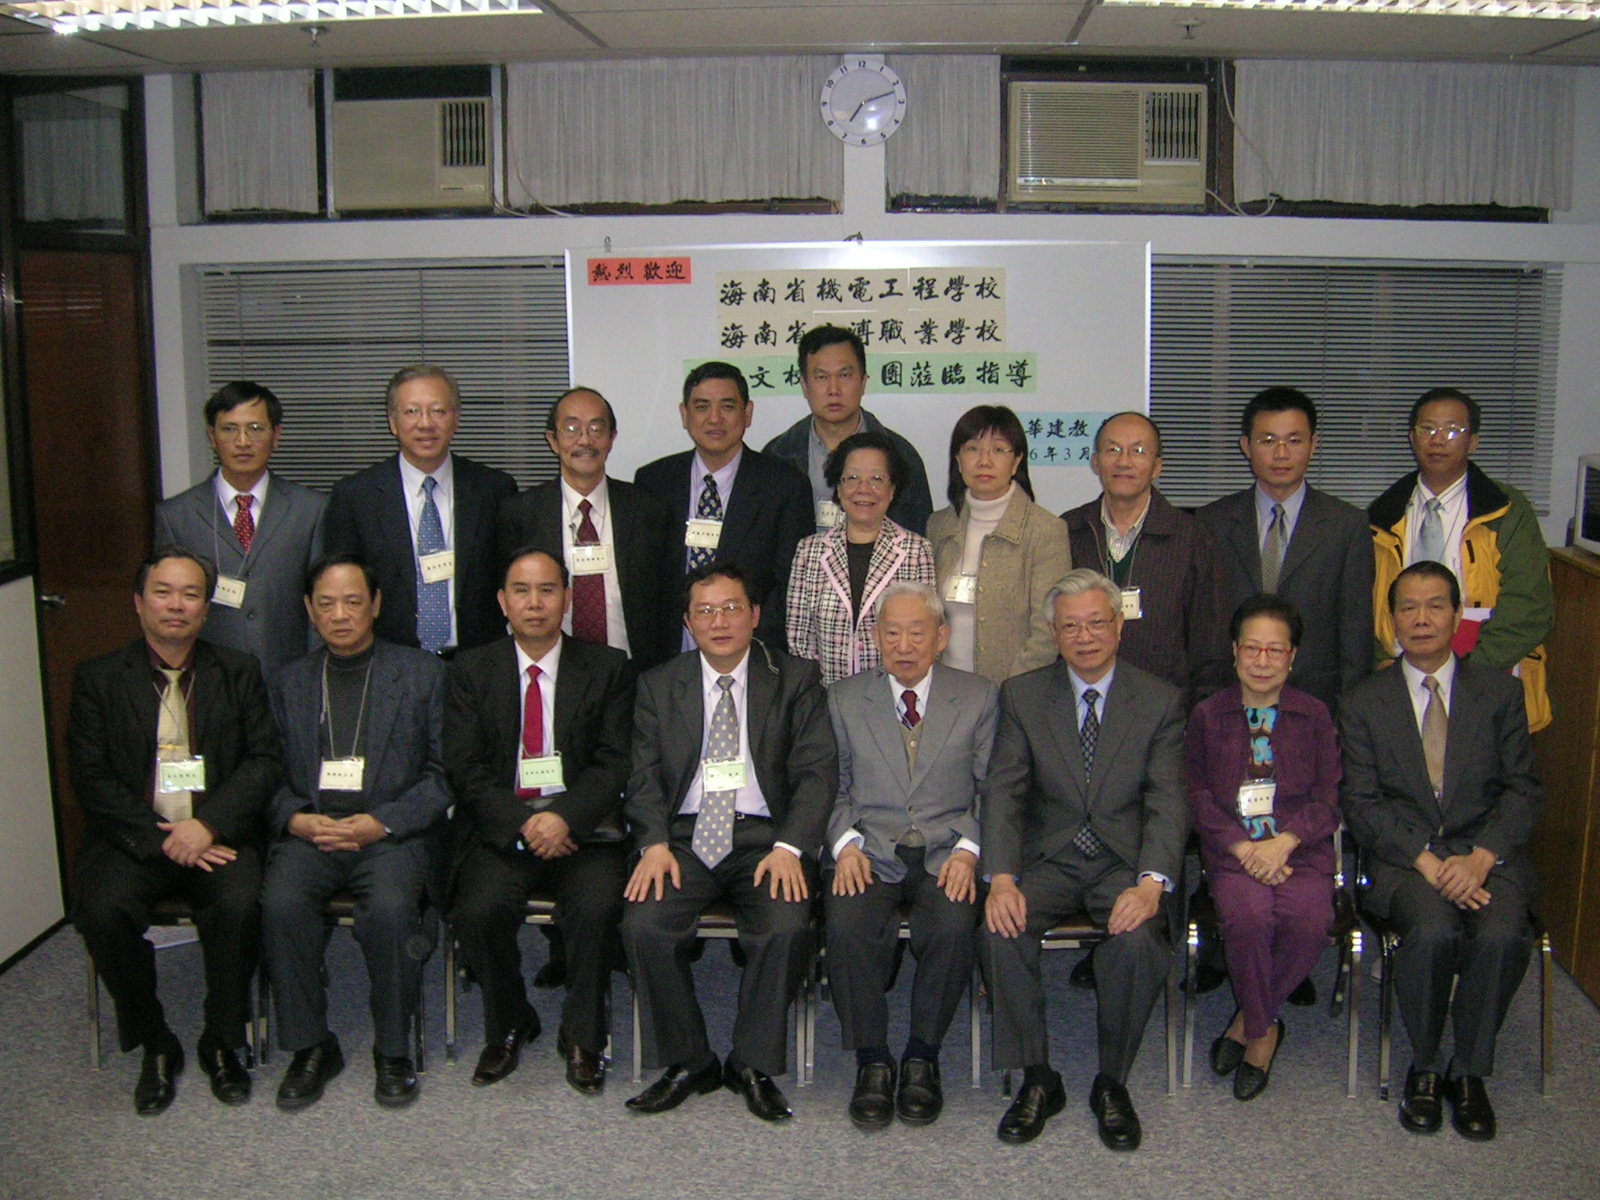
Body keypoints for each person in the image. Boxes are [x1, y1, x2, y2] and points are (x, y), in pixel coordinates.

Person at [620, 562, 836, 1122]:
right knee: (643, 924)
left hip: (766, 840)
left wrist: (791, 848)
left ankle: (751, 1063)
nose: (720, 622)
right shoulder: (658, 684)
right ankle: (689, 1060)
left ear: (755, 615)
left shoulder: (795, 679)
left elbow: (816, 775)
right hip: (683, 838)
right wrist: (652, 843)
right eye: (706, 611)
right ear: (688, 622)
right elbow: (642, 778)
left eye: (732, 608)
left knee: (786, 925)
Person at [69, 547, 280, 1115]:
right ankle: (155, 1040)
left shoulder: (238, 672)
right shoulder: (99, 679)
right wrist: (163, 836)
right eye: (163, 592)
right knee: (101, 910)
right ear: (139, 603)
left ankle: (222, 1039)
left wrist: (207, 825)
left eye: (191, 595)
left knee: (240, 904)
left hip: (218, 834)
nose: (176, 605)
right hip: (136, 838)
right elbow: (90, 777)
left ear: (206, 610)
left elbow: (263, 761)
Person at [980, 568, 1185, 1152]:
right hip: (1049, 857)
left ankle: (1112, 1081)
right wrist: (1001, 879)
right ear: (1054, 632)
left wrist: (1150, 884)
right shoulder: (1022, 695)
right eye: (1071, 626)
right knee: (998, 929)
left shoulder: (1159, 699)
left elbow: (1168, 800)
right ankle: (1037, 1078)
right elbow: (1004, 791)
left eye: (1097, 622)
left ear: (1119, 626)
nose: (1085, 636)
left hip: (1123, 861)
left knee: (1138, 942)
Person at [1341, 561, 1542, 1142]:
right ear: (1392, 619)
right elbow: (1362, 803)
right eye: (1408, 607)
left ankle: (1469, 1071)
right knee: (1431, 933)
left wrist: (1481, 857)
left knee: (1502, 934)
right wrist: (1427, 862)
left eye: (1435, 605)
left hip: (1487, 857)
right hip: (1407, 860)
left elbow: (1524, 790)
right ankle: (1426, 1065)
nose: (1421, 618)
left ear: (1457, 616)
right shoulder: (1363, 702)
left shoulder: (1500, 693)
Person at [260, 555, 450, 1111]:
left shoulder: (422, 674)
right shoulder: (289, 681)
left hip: (389, 834)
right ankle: (311, 1047)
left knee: (390, 911)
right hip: (312, 832)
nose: (340, 615)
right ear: (309, 609)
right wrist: (294, 818)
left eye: (352, 602)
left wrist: (383, 821)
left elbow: (445, 776)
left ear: (376, 605)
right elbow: (264, 770)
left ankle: (393, 1050)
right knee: (280, 904)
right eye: (326, 603)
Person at [446, 549, 635, 1096]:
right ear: (502, 601)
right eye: (521, 591)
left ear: (567, 599)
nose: (535, 603)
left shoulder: (608, 668)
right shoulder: (471, 670)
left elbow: (614, 761)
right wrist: (523, 824)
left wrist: (563, 818)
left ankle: (584, 1035)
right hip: (504, 826)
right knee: (478, 909)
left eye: (548, 590)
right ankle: (510, 1021)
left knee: (597, 907)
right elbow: (465, 766)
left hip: (584, 829)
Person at [824, 582, 997, 1129]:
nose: (904, 646)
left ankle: (923, 1053)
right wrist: (844, 843)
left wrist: (970, 849)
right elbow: (829, 786)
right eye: (892, 633)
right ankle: (872, 1058)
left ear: (941, 637)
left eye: (917, 633)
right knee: (846, 922)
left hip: (947, 848)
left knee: (952, 924)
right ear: (875, 637)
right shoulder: (843, 699)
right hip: (871, 847)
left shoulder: (979, 696)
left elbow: (993, 789)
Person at [1186, 595, 1341, 1101]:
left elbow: (1328, 798)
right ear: (1234, 652)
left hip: (1301, 851)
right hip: (1234, 853)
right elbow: (1196, 794)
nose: (1262, 660)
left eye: (1275, 650)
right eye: (1252, 648)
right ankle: (1264, 1034)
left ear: (1292, 657)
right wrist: (1243, 848)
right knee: (1249, 918)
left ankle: (1248, 1022)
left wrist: (1286, 842)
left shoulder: (1314, 715)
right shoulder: (1208, 715)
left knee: (1309, 921)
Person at [1368, 386, 1553, 732]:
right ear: (1412, 438)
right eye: (1427, 429)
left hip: (1487, 676)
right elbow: (1363, 607)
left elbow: (1530, 607)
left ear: (1474, 442)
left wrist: (1468, 675)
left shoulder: (1507, 511)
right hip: (1400, 678)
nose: (1438, 440)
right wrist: (1382, 665)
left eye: (1452, 430)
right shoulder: (1380, 517)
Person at [1197, 387, 1374, 711]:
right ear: (1246, 446)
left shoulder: (1346, 526)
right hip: (1229, 702)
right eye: (1268, 441)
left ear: (1314, 444)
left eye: (1294, 440)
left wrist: (1348, 717)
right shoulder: (1212, 523)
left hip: (1317, 705)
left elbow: (1356, 635)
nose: (1281, 454)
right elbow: (1203, 628)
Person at [326, 364, 517, 656]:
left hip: (479, 661)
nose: (425, 423)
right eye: (412, 411)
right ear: (393, 422)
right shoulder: (356, 497)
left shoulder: (494, 490)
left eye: (438, 411)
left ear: (456, 419)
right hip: (390, 662)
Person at [153, 381, 327, 678]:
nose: (243, 441)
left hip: (290, 675)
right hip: (209, 678)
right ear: (212, 437)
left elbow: (322, 601)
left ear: (276, 436)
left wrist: (312, 675)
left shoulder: (311, 510)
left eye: (256, 429)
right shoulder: (176, 516)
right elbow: (169, 609)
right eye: (230, 429)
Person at [497, 386, 677, 672]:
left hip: (633, 669)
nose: (585, 440)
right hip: (552, 670)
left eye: (596, 428)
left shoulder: (648, 510)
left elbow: (667, 599)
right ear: (553, 440)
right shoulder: (520, 514)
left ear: (611, 438)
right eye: (571, 429)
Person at [1062, 411, 1226, 708]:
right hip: (1079, 706)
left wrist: (1198, 716)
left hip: (1164, 710)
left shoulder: (1191, 538)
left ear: (1157, 466)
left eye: (1138, 451)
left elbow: (1209, 644)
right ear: (1095, 462)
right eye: (1113, 449)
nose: (1124, 462)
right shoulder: (1069, 530)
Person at [925, 405, 1072, 686]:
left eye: (998, 450)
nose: (984, 461)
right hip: (943, 691)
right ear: (958, 460)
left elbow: (1047, 629)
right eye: (973, 449)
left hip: (1013, 692)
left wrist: (1011, 691)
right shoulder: (938, 526)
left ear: (1016, 462)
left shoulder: (1045, 530)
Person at [785, 431, 936, 686]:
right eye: (852, 478)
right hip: (826, 696)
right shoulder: (809, 551)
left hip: (893, 695)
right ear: (838, 487)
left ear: (892, 490)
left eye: (877, 479)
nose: (863, 489)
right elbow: (799, 641)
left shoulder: (917, 550)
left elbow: (925, 636)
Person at [762, 324, 934, 535]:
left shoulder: (901, 455)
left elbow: (918, 537)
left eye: (844, 376)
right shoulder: (777, 455)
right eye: (821, 377)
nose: (834, 390)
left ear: (863, 382)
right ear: (805, 385)